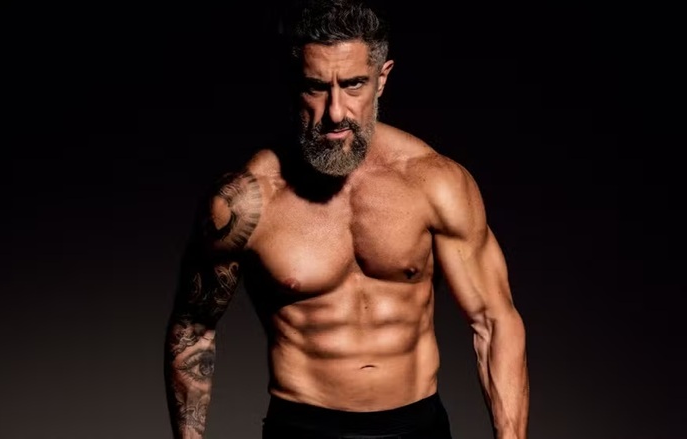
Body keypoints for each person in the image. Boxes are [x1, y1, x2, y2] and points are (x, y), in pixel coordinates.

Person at [163, 0, 529, 438]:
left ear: (382, 79)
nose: (335, 111)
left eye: (354, 84)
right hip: (303, 428)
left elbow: (494, 320)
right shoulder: (244, 202)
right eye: (316, 87)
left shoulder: (436, 183)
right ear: (293, 83)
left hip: (418, 427)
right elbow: (194, 329)